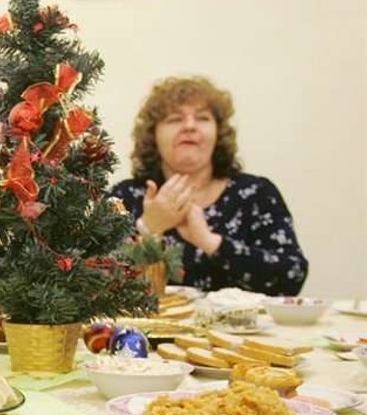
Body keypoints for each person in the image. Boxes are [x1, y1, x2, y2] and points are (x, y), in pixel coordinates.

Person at [106, 76, 307, 295]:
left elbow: (292, 277)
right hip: (149, 329)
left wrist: (210, 242)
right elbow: (88, 283)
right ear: (153, 135)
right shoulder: (124, 197)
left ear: (218, 134)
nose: (190, 126)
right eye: (174, 119)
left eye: (202, 118)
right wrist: (147, 227)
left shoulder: (256, 194)